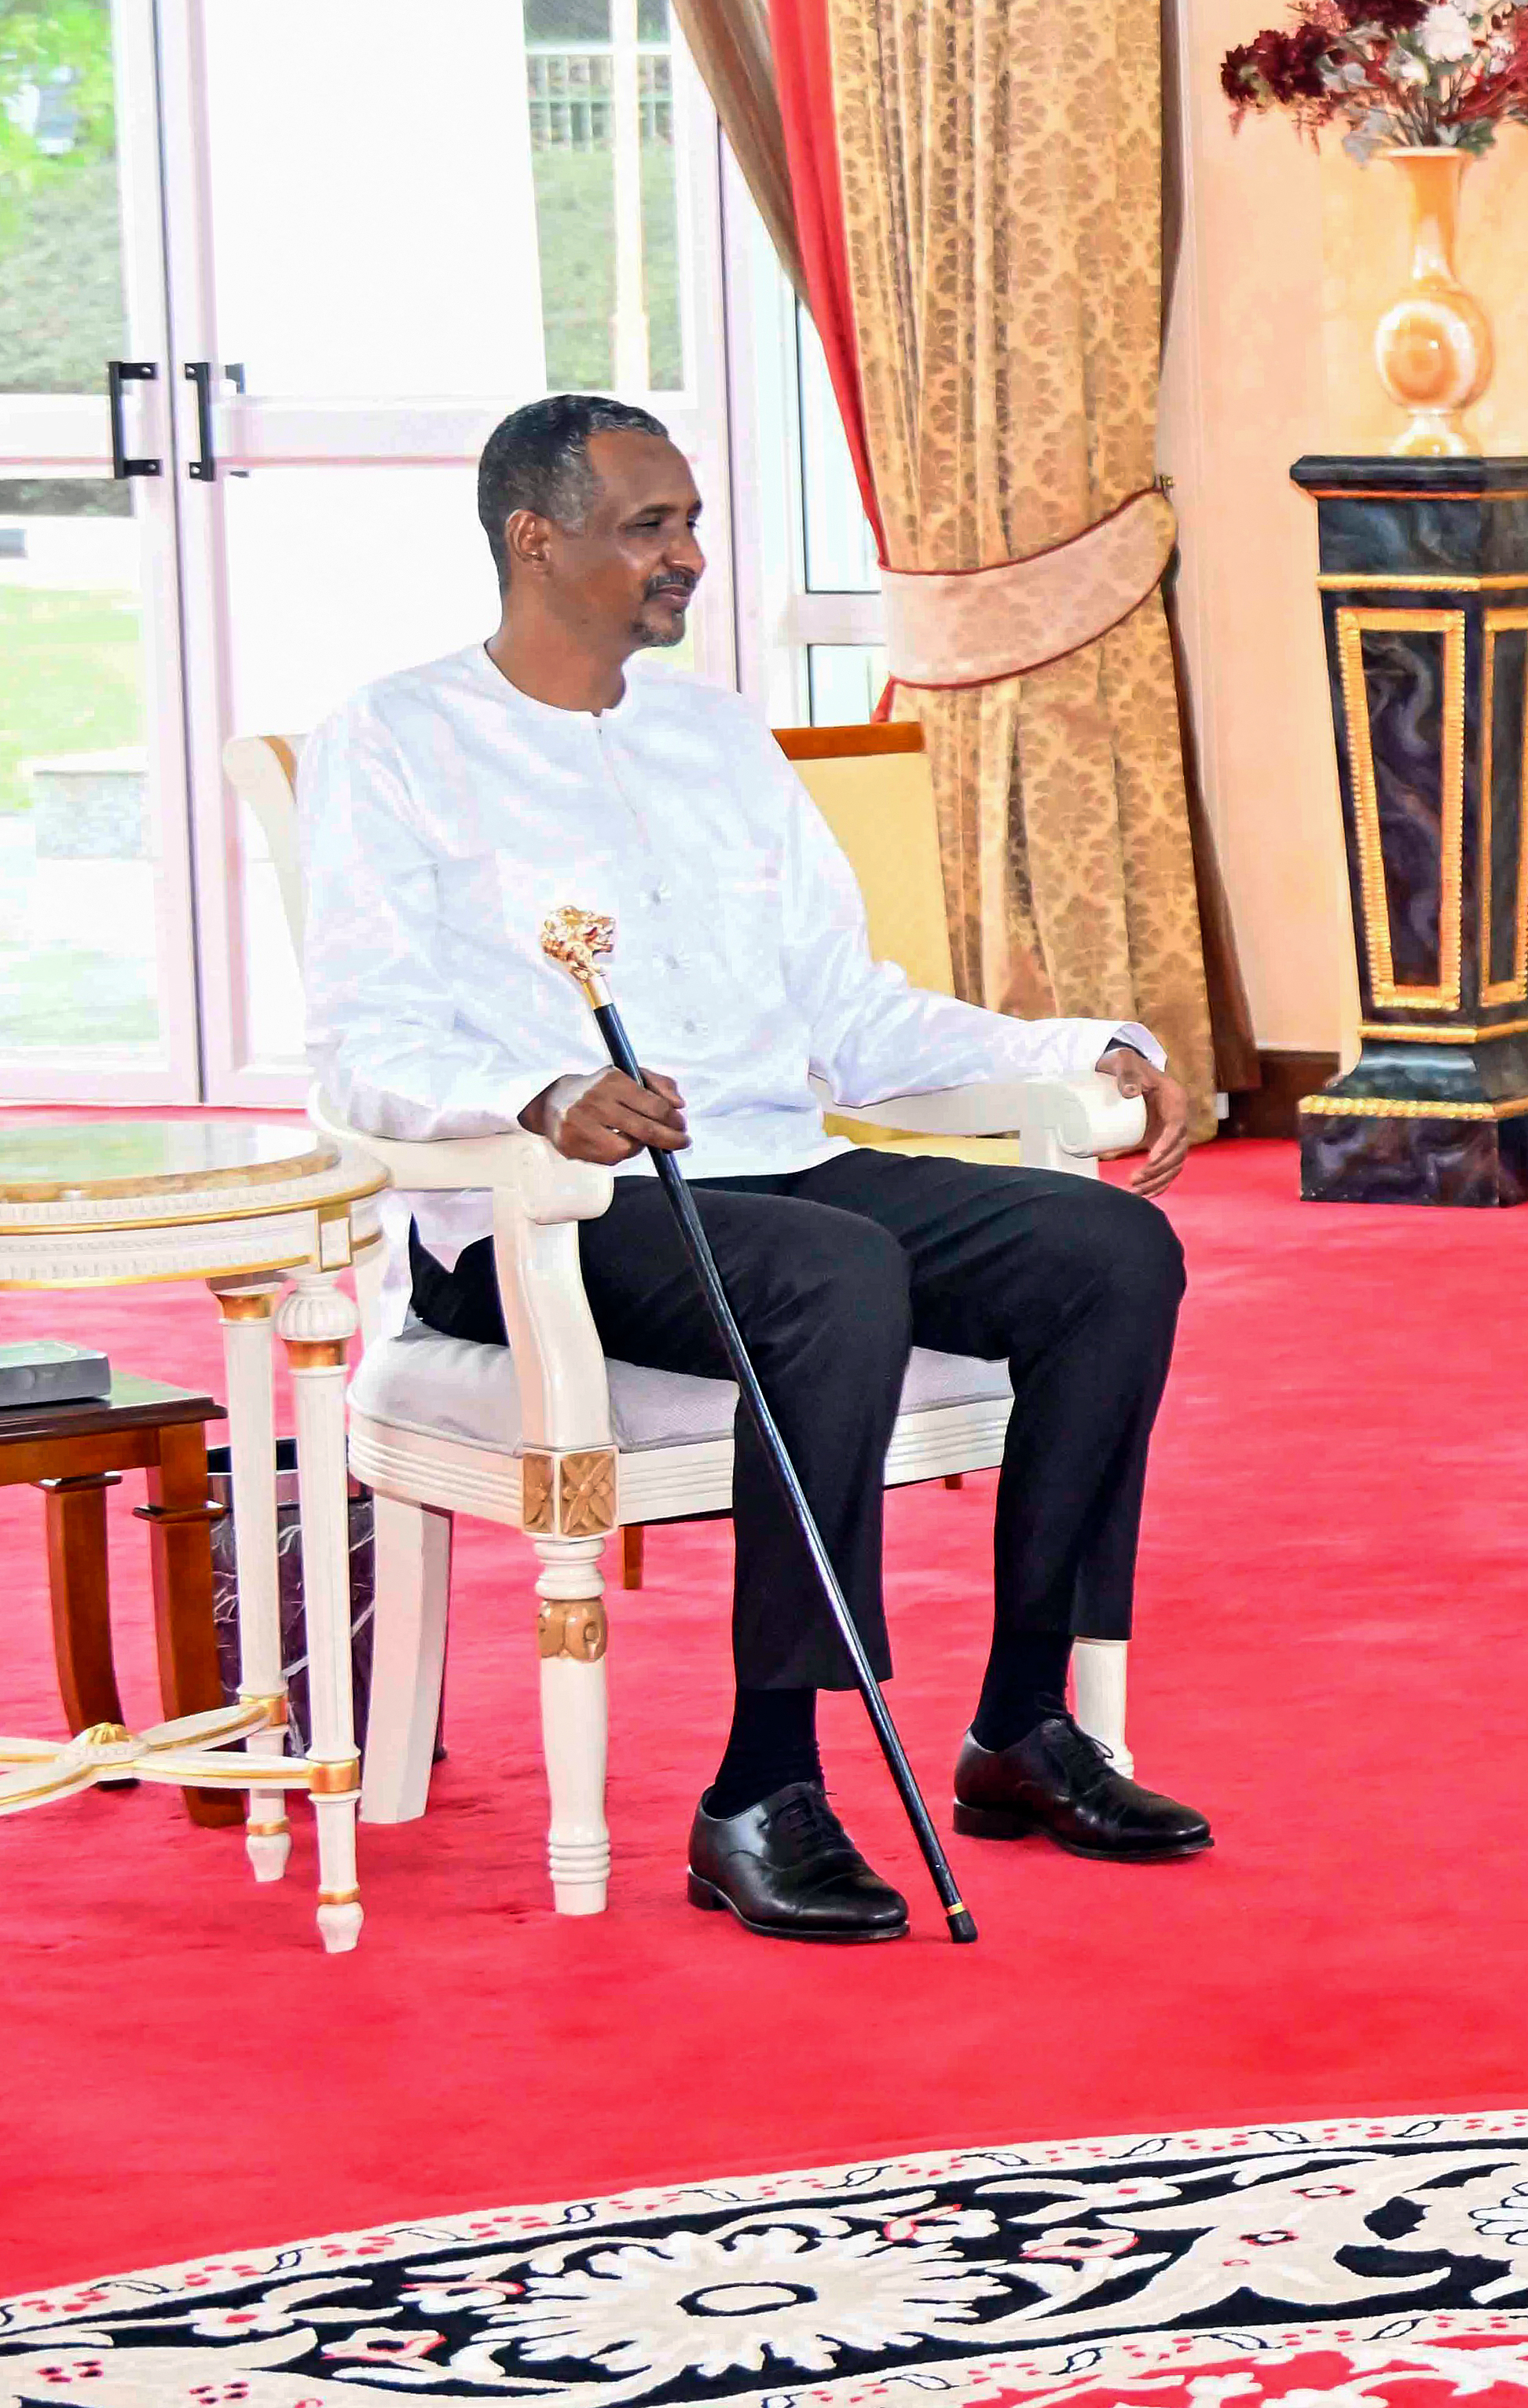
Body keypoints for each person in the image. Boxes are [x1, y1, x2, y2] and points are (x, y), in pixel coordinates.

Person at [302, 393, 1217, 1942]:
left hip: (773, 1170)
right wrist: (541, 1090)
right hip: (547, 1220)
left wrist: (1074, 1048)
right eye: (650, 525)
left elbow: (847, 1014)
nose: (690, 556)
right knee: (838, 1273)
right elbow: (361, 1040)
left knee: (1109, 1253)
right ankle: (762, 1783)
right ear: (536, 537)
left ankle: (1020, 1724)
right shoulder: (396, 738)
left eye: (692, 521)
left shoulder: (716, 734)